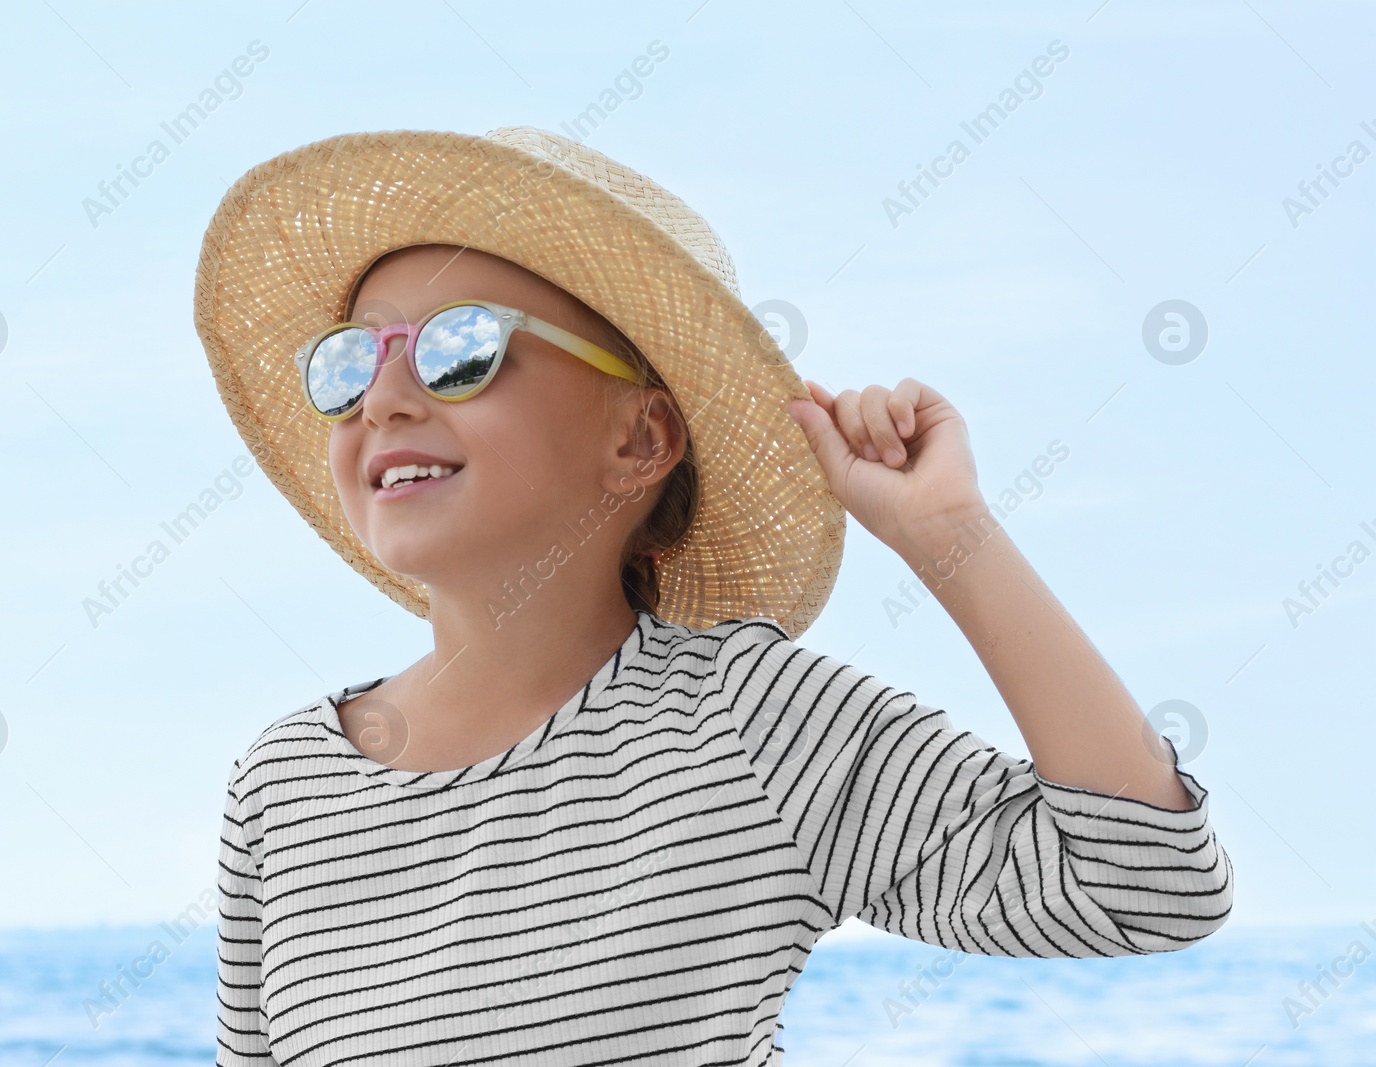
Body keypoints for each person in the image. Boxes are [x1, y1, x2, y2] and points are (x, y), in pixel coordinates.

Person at [192, 127, 1233, 1067]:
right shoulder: (284, 785)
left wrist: (948, 537)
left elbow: (1146, 878)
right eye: (350, 360)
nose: (384, 397)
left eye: (459, 348)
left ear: (638, 438)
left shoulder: (745, 718)